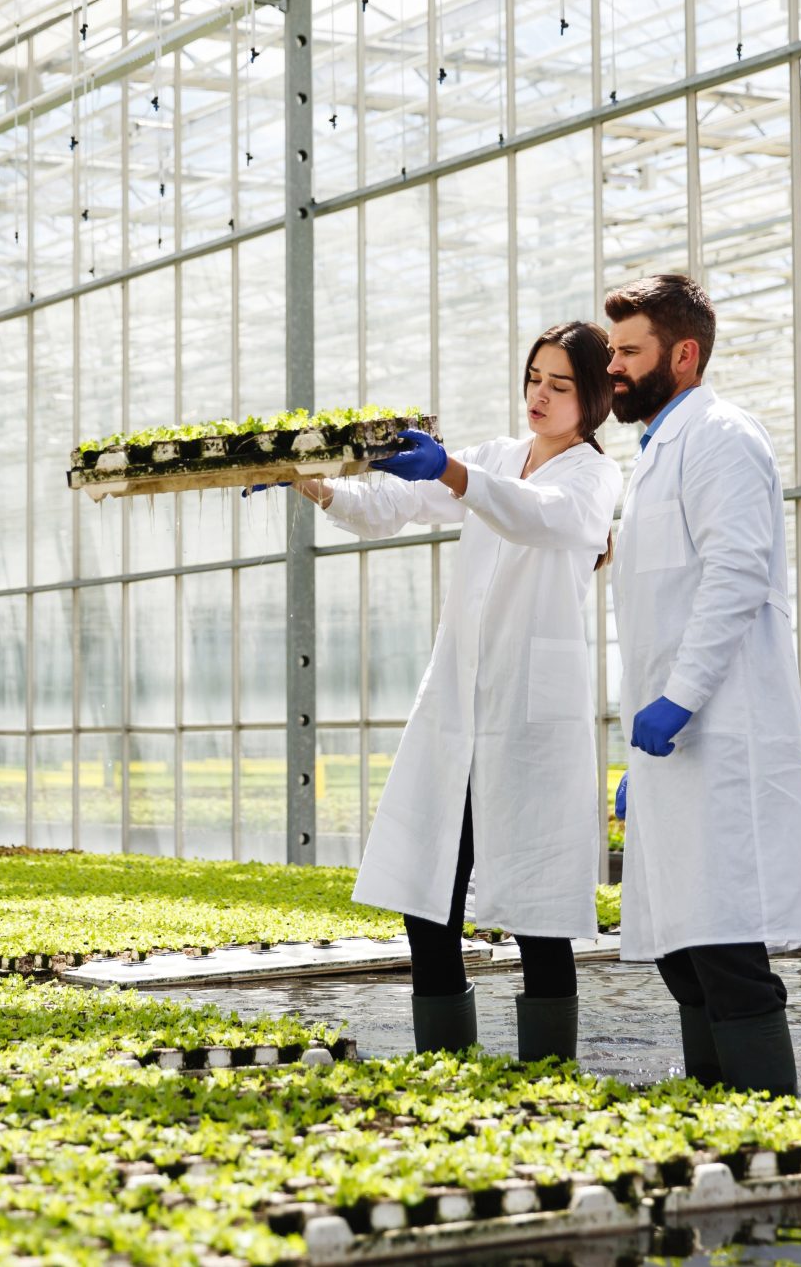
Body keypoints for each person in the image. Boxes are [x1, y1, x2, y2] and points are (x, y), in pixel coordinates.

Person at [251, 323, 621, 1061]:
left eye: (559, 384)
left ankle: (547, 1076)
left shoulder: (591, 476)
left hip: (529, 716)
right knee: (429, 901)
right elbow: (394, 504)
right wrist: (313, 481)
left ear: (594, 398)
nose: (539, 395)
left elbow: (537, 515)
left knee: (540, 915)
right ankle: (447, 1064)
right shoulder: (493, 457)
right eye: (533, 377)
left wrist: (456, 474)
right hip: (458, 704)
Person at [603, 274, 801, 1097]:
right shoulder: (657, 452)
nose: (614, 368)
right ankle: (713, 1111)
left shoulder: (722, 436)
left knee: (726, 949)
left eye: (630, 351)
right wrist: (650, 748)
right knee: (681, 951)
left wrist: (682, 698)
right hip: (675, 747)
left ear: (684, 353)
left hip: (721, 731)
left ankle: (769, 1125)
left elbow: (734, 574)